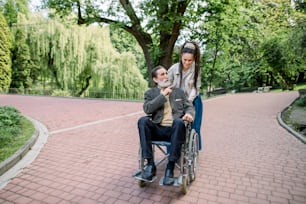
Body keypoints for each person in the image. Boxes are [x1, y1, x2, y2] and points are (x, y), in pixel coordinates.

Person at [137, 65, 195, 186]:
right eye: (162, 74)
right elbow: (147, 109)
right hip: (157, 129)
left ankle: (170, 166)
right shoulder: (150, 93)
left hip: (174, 130)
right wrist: (162, 95)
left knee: (179, 122)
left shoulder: (179, 92)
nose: (166, 76)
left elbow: (189, 106)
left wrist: (189, 114)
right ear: (155, 79)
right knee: (143, 120)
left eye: (166, 73)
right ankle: (150, 164)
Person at [168, 41, 203, 150]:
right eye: (185, 60)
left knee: (194, 127)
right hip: (176, 100)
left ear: (194, 58)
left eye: (190, 60)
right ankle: (173, 151)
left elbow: (195, 88)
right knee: (173, 124)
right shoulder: (174, 68)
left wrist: (188, 101)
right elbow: (166, 83)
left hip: (193, 100)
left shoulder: (196, 69)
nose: (187, 62)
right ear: (181, 57)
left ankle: (194, 150)